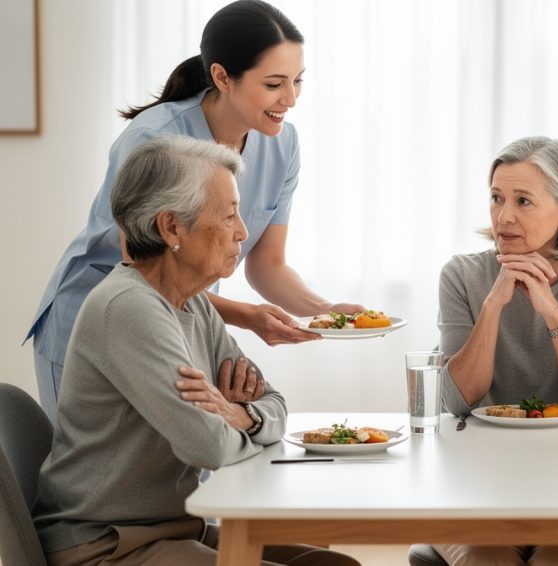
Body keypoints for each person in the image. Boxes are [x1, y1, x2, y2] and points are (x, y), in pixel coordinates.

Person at [26, 0, 363, 421]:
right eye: (275, 84)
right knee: (94, 475)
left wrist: (325, 313)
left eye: (298, 81)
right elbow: (144, 271)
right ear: (222, 77)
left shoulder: (283, 144)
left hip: (184, 321)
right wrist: (244, 316)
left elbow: (267, 265)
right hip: (96, 320)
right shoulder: (154, 140)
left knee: (187, 469)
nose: (290, 99)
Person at [32, 136, 360, 566]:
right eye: (228, 216)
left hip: (175, 528)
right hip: (105, 546)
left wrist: (243, 416)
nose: (243, 232)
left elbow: (275, 404)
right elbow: (208, 446)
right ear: (171, 228)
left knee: (333, 564)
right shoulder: (129, 308)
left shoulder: (195, 303)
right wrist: (237, 428)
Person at [434, 136, 558, 566]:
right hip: (478, 482)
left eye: (524, 201)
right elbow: (456, 401)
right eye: (496, 198)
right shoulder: (462, 275)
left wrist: (553, 315)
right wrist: (492, 307)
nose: (504, 216)